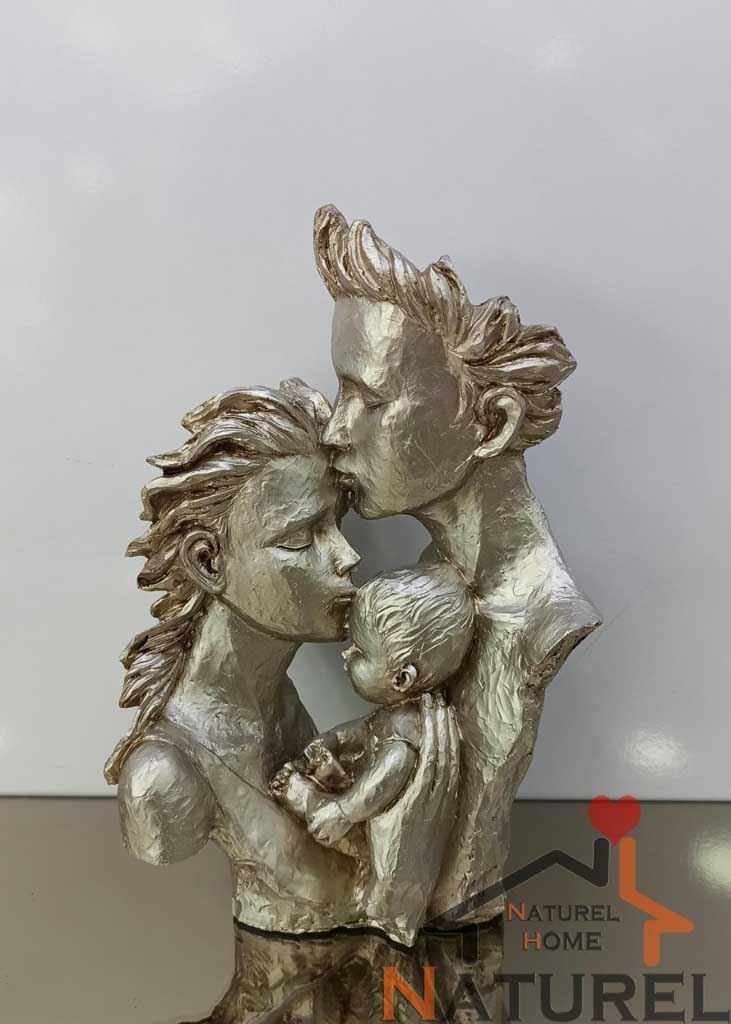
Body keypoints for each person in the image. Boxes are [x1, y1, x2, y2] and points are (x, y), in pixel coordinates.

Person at [105, 379, 460, 964]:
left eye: (337, 524)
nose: (347, 556)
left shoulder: (280, 706)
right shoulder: (165, 779)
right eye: (301, 538)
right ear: (208, 561)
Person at [314, 205, 602, 924]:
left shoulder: (536, 619)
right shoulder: (435, 580)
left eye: (368, 398)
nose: (334, 430)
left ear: (490, 423)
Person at [271, 564, 474, 857]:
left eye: (360, 652)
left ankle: (307, 799)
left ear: (401, 679)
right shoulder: (396, 713)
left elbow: (388, 772)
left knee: (315, 806)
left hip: (369, 830)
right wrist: (335, 739)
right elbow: (365, 729)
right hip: (357, 795)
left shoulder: (406, 731)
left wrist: (345, 811)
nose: (346, 654)